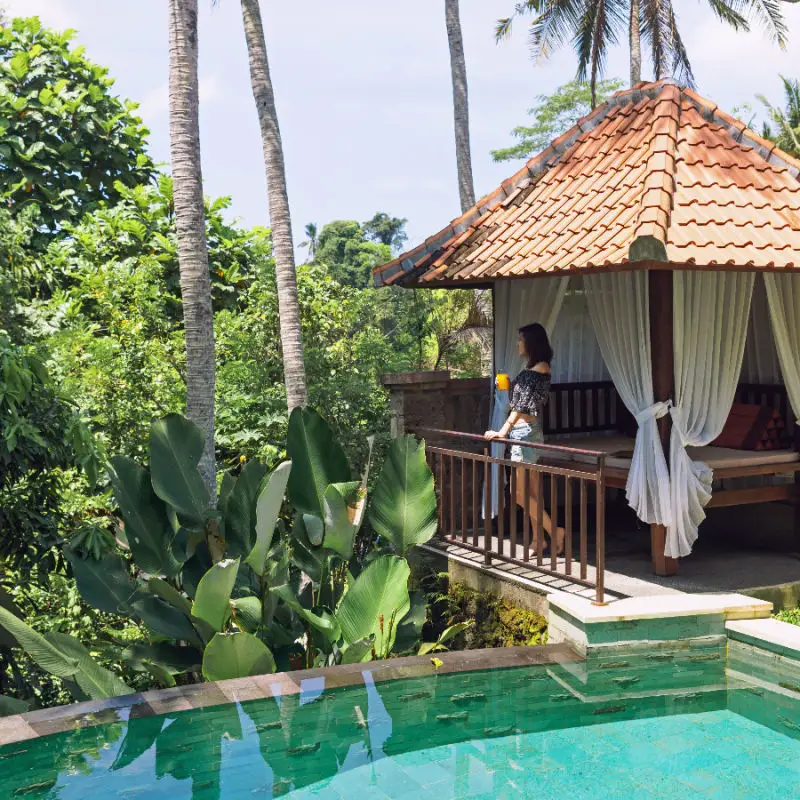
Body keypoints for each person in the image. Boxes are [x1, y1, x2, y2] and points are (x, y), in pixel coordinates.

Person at [485, 323, 565, 554]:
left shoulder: (540, 368)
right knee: (530, 493)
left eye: (521, 339)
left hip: (525, 433)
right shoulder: (532, 368)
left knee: (518, 494)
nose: (518, 343)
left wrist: (502, 431)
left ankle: (555, 531)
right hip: (525, 432)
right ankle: (539, 540)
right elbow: (522, 401)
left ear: (531, 341)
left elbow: (521, 406)